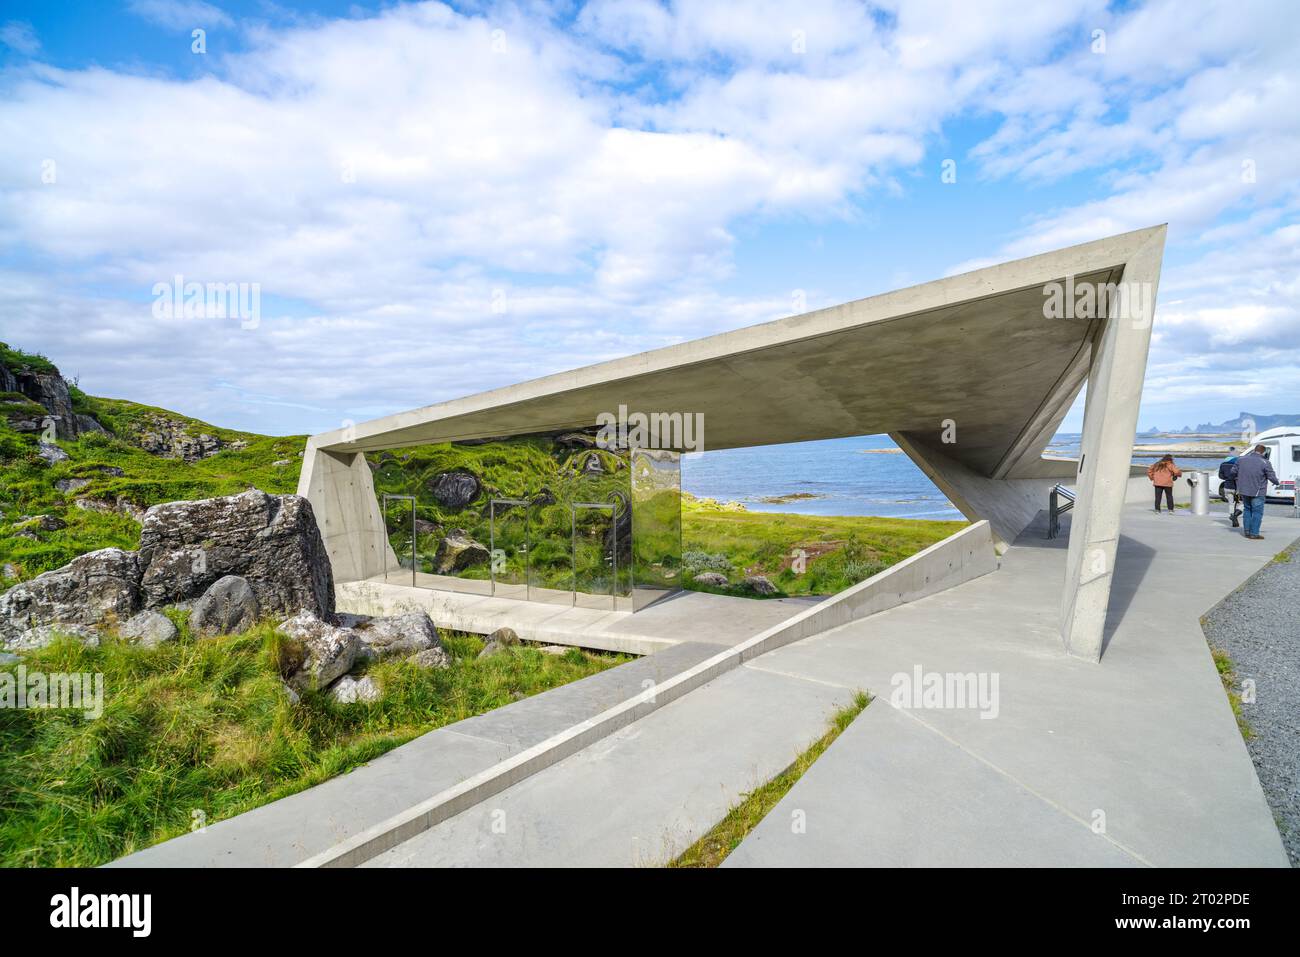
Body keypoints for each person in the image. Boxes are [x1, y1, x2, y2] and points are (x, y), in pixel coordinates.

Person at [1234, 444, 1280, 539]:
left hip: (1244, 490)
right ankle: (1254, 533)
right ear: (1263, 452)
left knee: (1247, 509)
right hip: (1258, 491)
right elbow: (1271, 476)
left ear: (1254, 450)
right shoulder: (1265, 462)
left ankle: (1247, 531)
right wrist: (1276, 482)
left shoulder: (1241, 459)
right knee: (1257, 512)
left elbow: (1233, 472)